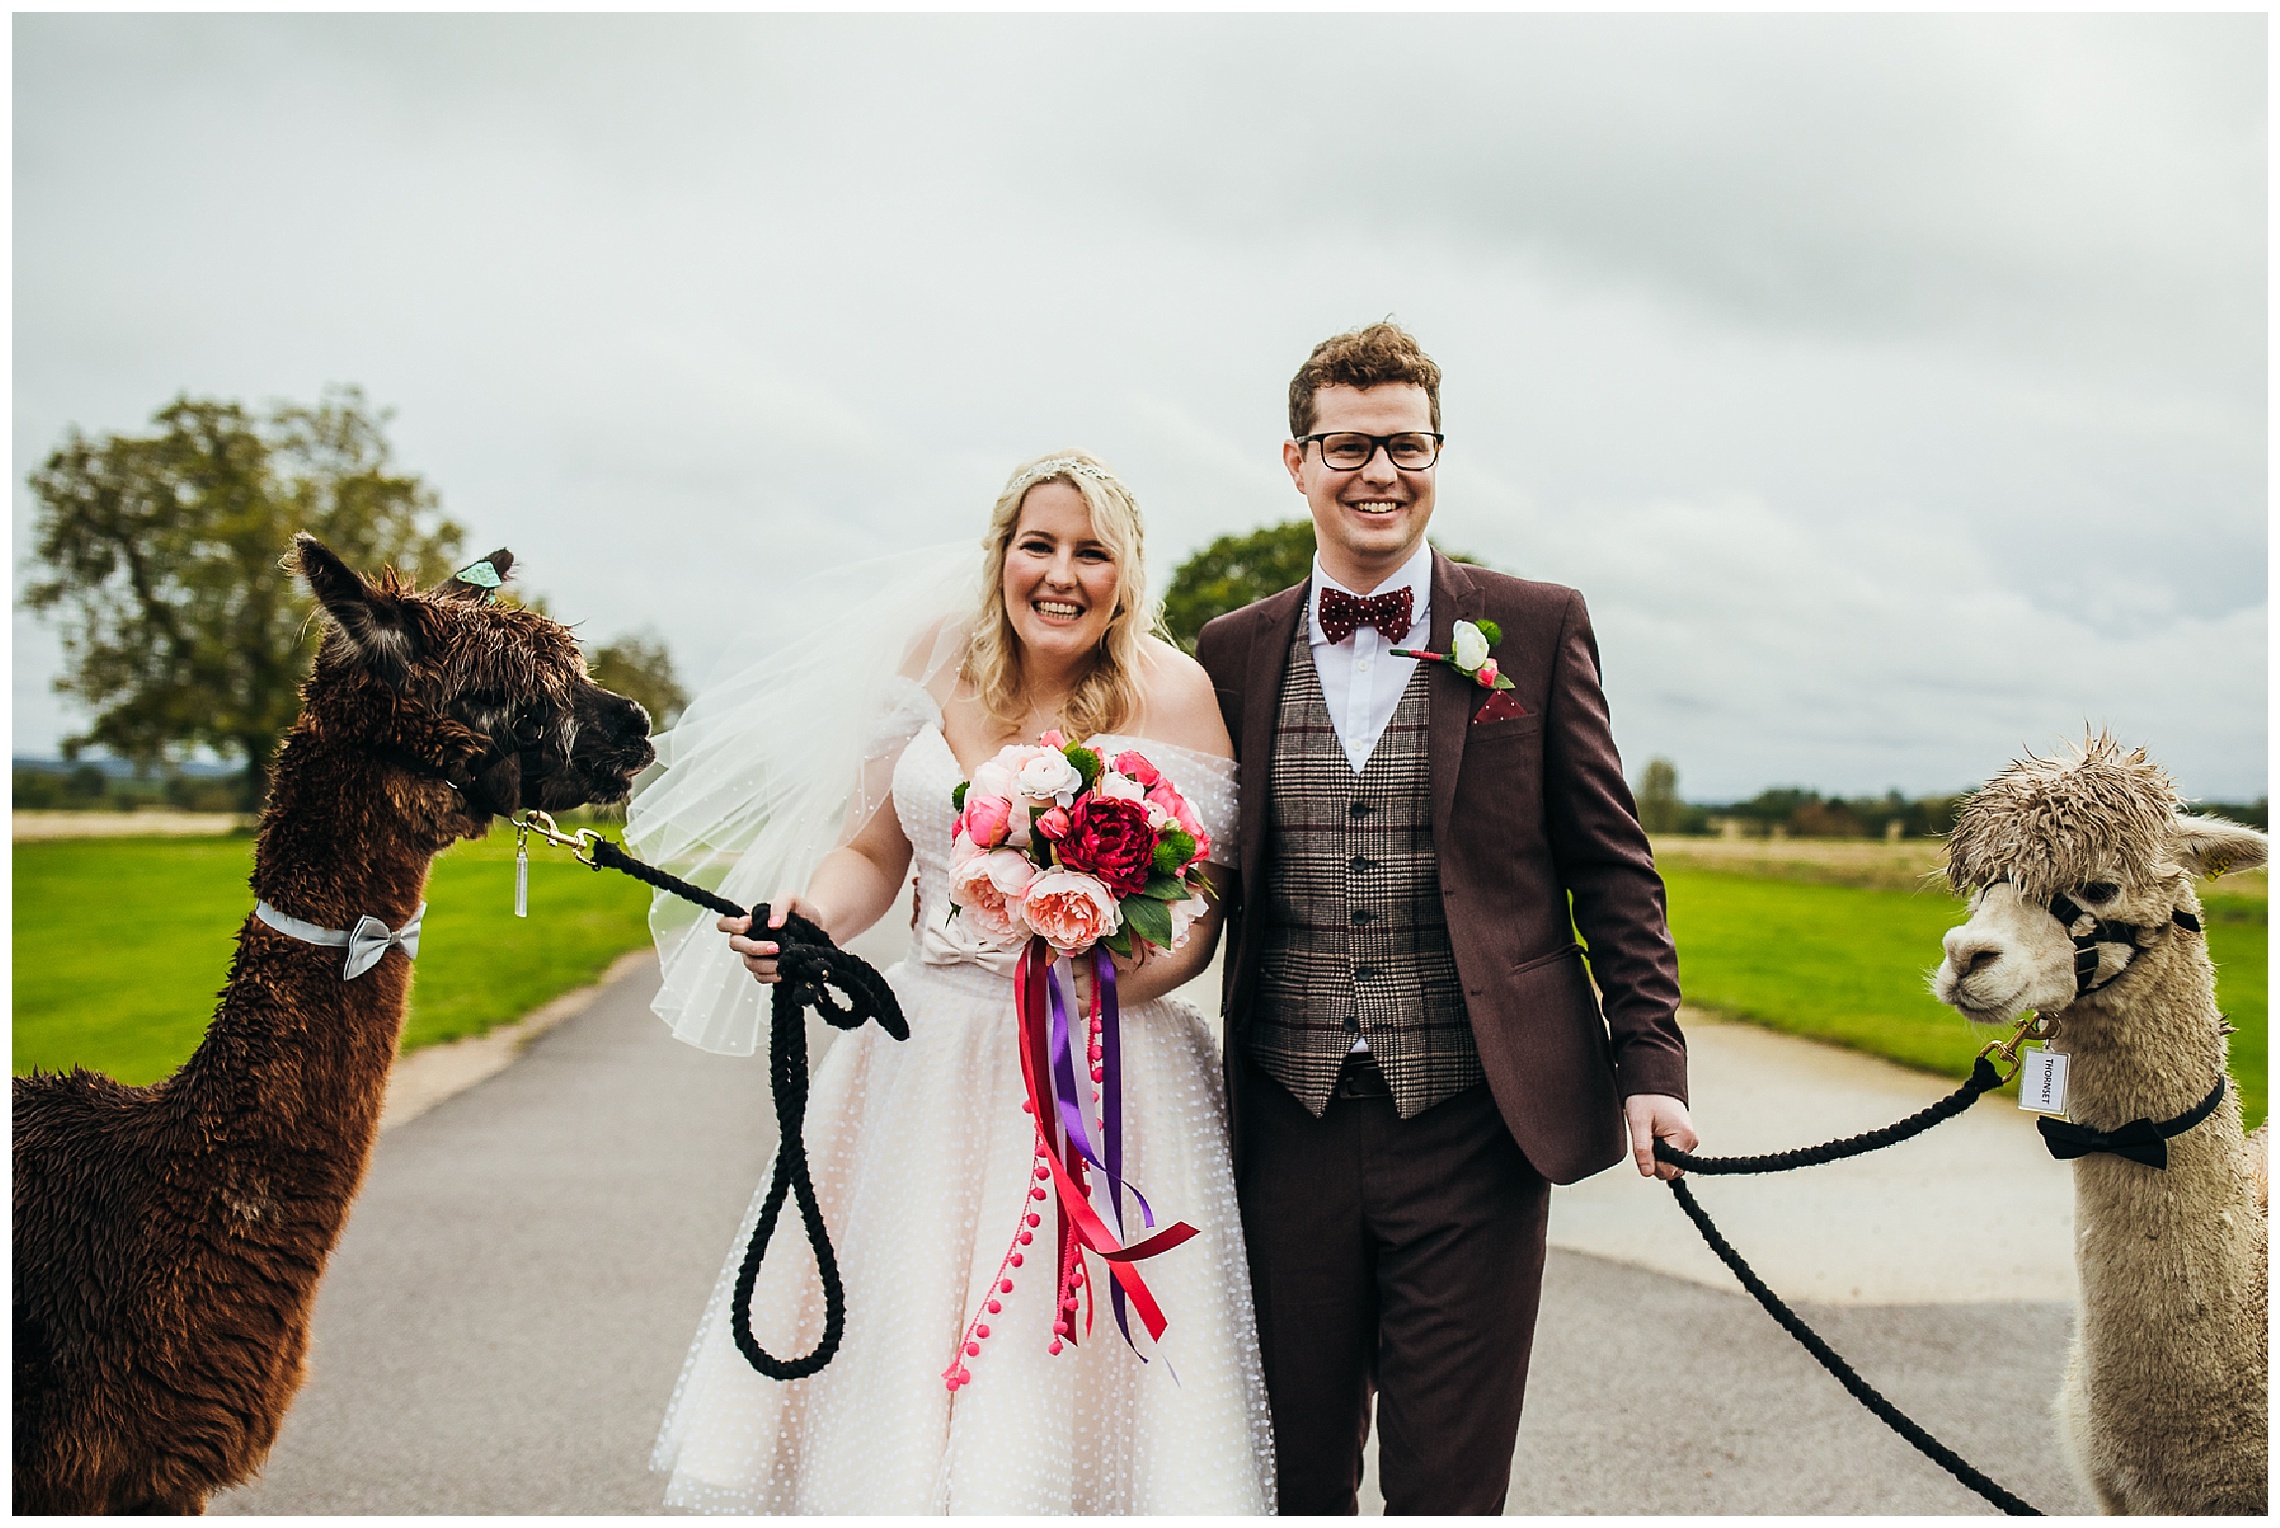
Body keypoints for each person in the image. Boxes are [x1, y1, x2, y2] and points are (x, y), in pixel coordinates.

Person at [634, 451, 1275, 1513]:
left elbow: (1200, 916)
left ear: (1127, 570)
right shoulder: (932, 661)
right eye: (1039, 545)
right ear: (1002, 555)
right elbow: (873, 853)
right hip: (925, 1056)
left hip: (1102, 1062)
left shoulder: (1173, 693)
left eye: (1090, 551)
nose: (1060, 574)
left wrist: (1094, 991)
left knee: (1054, 1349)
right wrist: (812, 919)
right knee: (905, 1314)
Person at [1193, 322, 1700, 1514]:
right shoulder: (1229, 651)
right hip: (1287, 1116)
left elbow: (1613, 868)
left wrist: (1652, 1060)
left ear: (1438, 454)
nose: (1380, 474)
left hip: (1477, 1123)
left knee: (1452, 1484)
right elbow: (1186, 868)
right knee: (1294, 1471)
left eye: (1406, 446)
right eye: (1350, 446)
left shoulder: (1534, 625)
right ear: (1295, 460)